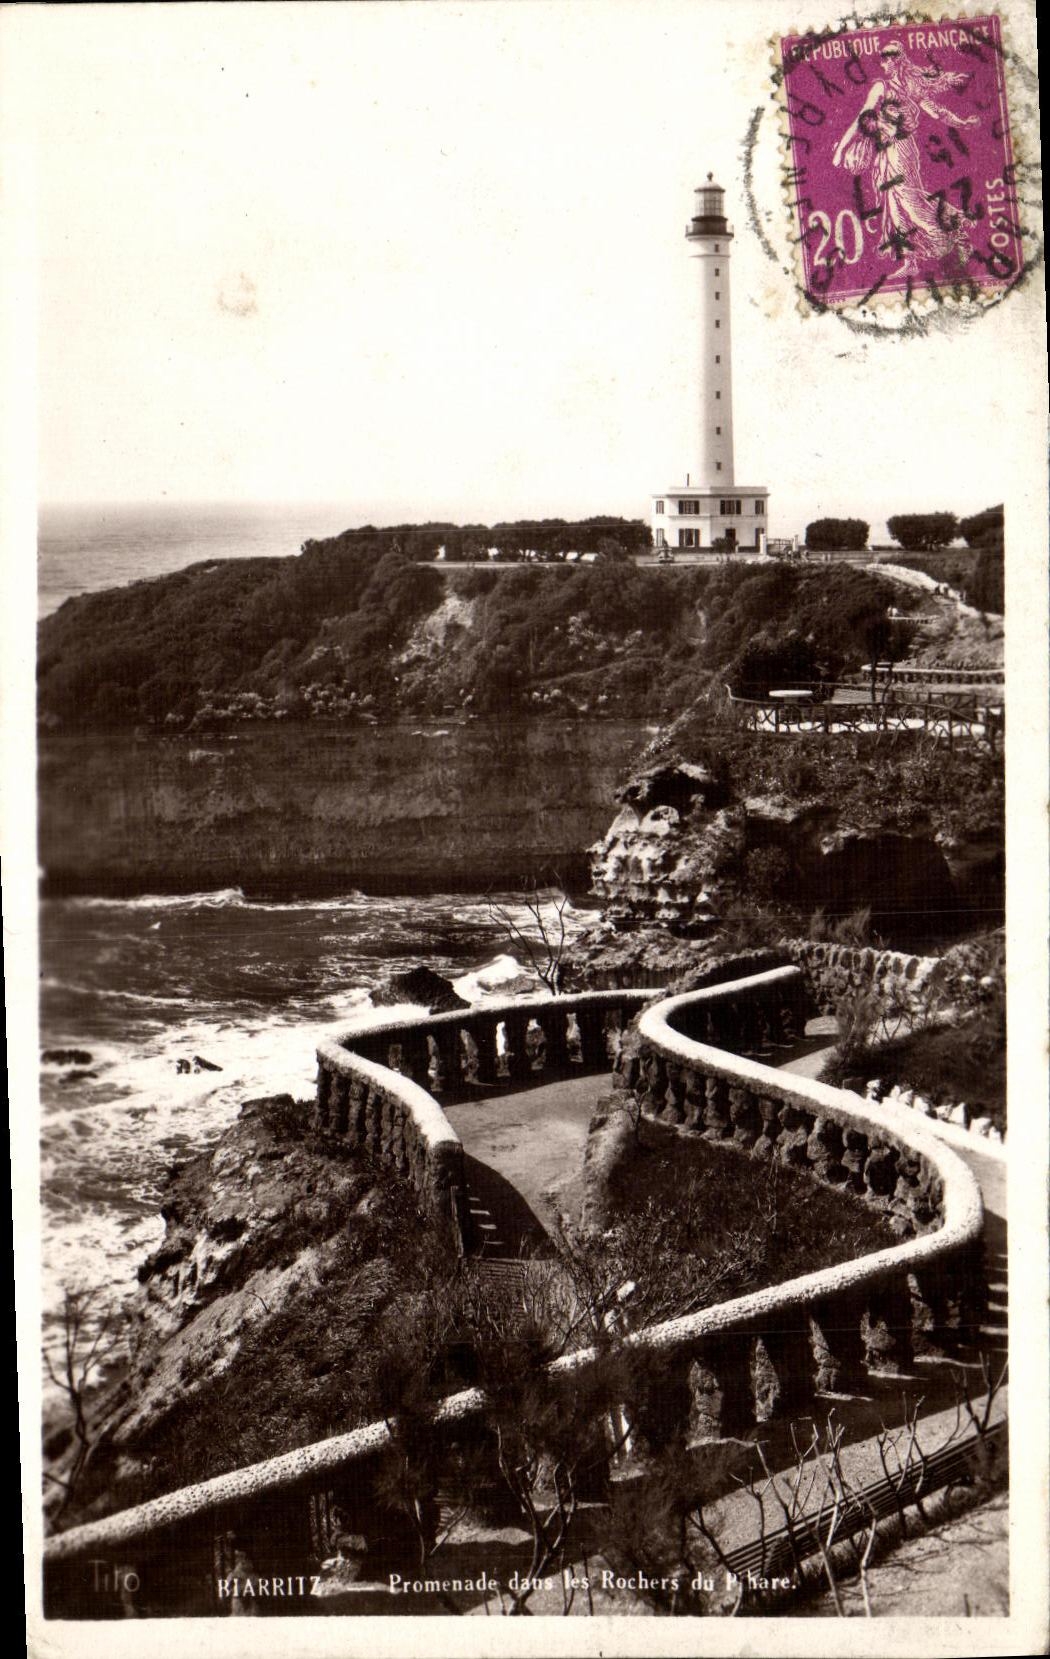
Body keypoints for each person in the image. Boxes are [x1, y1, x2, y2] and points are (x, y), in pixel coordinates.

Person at [832, 42, 981, 276]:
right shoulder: (880, 87)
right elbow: (863, 117)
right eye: (883, 59)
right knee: (894, 206)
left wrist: (961, 123)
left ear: (900, 60)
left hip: (902, 150)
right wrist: (842, 148)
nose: (886, 63)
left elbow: (936, 111)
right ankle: (910, 261)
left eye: (890, 58)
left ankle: (959, 234)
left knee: (912, 204)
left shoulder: (911, 88)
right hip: (885, 153)